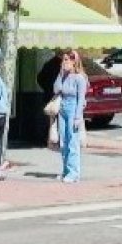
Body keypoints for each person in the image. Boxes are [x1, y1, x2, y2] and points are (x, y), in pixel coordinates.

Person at [53, 50, 88, 183]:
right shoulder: (63, 76)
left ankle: (74, 173)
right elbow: (56, 89)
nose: (64, 62)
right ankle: (66, 170)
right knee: (64, 141)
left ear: (74, 61)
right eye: (63, 60)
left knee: (72, 141)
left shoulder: (79, 78)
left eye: (67, 60)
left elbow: (81, 99)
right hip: (63, 108)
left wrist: (78, 117)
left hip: (73, 108)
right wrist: (60, 73)